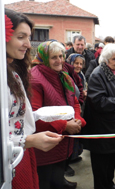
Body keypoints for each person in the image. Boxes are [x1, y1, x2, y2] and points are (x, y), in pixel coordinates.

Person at [4, 9, 63, 189]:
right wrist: (29, 140)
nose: (28, 44)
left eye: (29, 37)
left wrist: (38, 116)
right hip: (9, 160)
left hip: (21, 155)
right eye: (21, 37)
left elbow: (15, 115)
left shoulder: (13, 71)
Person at [30, 41, 86, 189]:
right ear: (43, 58)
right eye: (54, 57)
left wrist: (78, 119)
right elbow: (34, 117)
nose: (59, 60)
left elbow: (73, 100)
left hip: (62, 141)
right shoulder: (35, 79)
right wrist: (65, 125)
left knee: (58, 178)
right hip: (45, 148)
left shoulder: (63, 76)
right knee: (45, 182)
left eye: (61, 56)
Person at [83, 44, 115, 189]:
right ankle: (102, 186)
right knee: (101, 162)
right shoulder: (97, 74)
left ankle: (109, 184)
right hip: (102, 128)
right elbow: (97, 101)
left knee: (112, 158)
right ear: (106, 59)